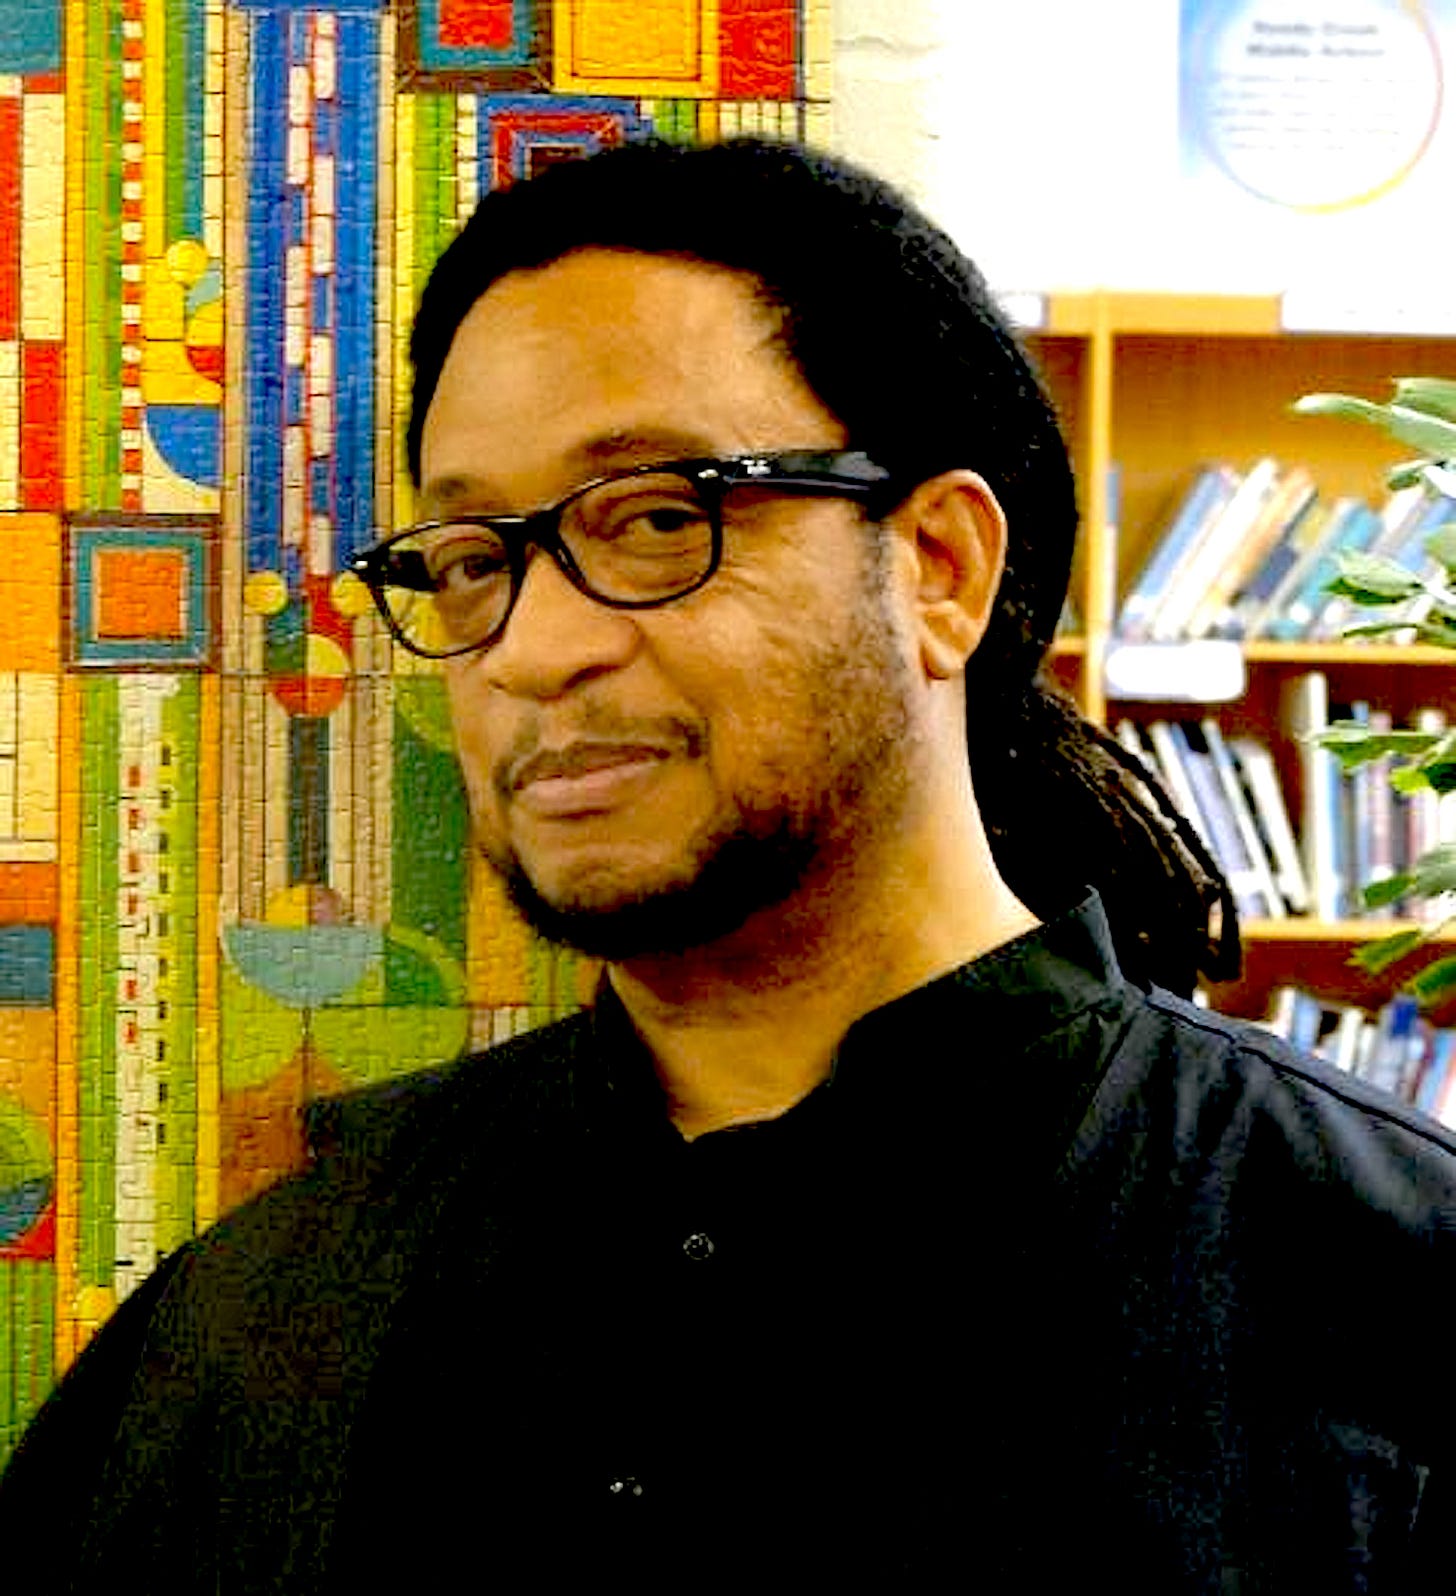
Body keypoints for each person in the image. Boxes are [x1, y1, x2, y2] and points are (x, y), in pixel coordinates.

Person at [3, 135, 1455, 1592]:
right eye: (472, 561)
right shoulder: (282, 1305)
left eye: (655, 518)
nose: (532, 650)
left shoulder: (1371, 1279)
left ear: (940, 568)